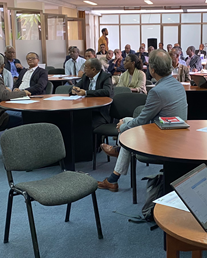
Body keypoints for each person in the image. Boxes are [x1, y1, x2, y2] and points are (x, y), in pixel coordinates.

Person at [98, 50, 188, 191]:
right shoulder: (178, 85)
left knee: (127, 129)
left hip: (164, 139)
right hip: (177, 134)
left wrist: (123, 128)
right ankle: (114, 174)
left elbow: (141, 121)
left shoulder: (157, 91)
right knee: (127, 121)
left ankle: (115, 170)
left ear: (152, 70)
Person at [72, 58, 114, 128]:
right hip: (86, 108)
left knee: (88, 125)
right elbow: (75, 87)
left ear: (93, 69)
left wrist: (86, 92)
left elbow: (106, 91)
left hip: (100, 111)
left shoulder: (105, 77)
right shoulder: (85, 76)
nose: (84, 70)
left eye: (86, 67)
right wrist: (74, 90)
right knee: (73, 120)